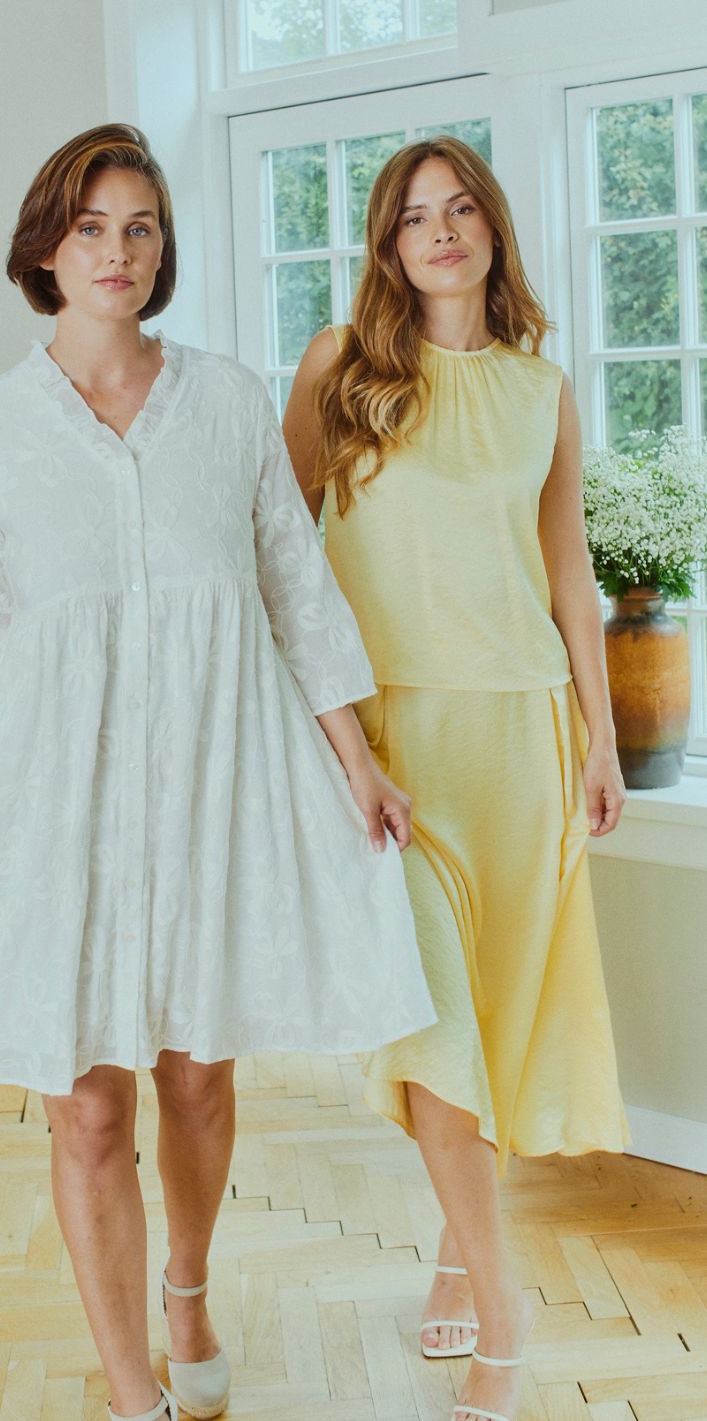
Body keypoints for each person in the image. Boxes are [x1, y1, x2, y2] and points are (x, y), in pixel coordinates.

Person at [0, 124, 436, 1421]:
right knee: (87, 1112)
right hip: (60, 815)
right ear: (46, 249)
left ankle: (187, 1284)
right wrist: (4, 867)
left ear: (163, 250)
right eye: (91, 227)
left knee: (196, 1077)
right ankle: (130, 1394)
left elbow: (293, 589)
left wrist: (356, 761)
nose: (118, 251)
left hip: (212, 789)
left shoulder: (225, 401)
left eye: (140, 227)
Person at [284, 135, 630, 1421]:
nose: (438, 231)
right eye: (412, 216)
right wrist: (330, 739)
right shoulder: (340, 365)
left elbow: (565, 571)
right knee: (431, 1033)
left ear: (490, 228)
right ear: (387, 243)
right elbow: (278, 554)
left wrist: (599, 735)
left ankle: (450, 1247)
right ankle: (502, 1311)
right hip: (397, 750)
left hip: (521, 739)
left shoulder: (540, 387)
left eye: (459, 208)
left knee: (490, 1017)